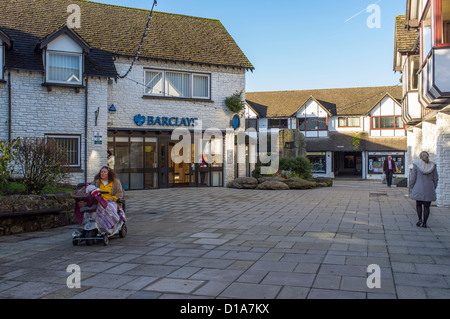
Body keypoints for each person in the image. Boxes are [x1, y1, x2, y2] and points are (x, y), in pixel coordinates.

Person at [410, 151, 438, 228]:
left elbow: (413, 178)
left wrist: (411, 187)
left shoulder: (416, 165)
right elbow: (435, 178)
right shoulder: (433, 165)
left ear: (420, 157)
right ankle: (425, 222)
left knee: (418, 204)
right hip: (429, 188)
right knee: (426, 206)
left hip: (418, 187)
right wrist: (433, 187)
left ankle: (419, 219)